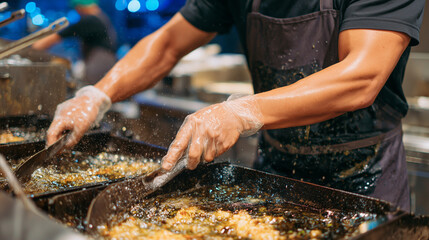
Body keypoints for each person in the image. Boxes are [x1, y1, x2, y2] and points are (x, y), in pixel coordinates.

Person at [46, 0, 425, 211]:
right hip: (277, 170)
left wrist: (242, 111)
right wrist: (97, 95)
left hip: (365, 177)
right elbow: (166, 44)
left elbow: (362, 78)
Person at [33, 0, 117, 85]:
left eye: (77, 9)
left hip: (99, 65)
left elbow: (58, 35)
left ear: (80, 7)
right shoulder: (103, 17)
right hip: (107, 63)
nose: (77, 12)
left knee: (93, 92)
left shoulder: (91, 20)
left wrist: (32, 48)